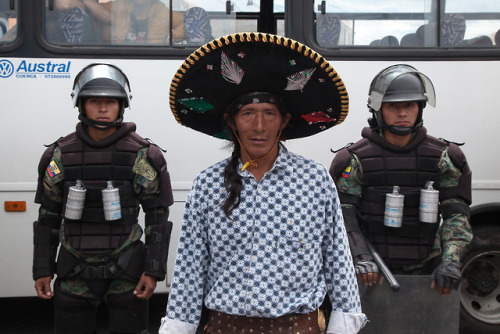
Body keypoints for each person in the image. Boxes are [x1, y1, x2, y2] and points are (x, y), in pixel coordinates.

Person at [159, 32, 367, 334]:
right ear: (232, 122)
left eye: (270, 113)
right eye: (248, 114)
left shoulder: (315, 179)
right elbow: (189, 269)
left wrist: (344, 322)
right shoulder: (207, 184)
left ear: (284, 121)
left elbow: (337, 258)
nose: (259, 126)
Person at [33, 63, 174, 334]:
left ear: (121, 106)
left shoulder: (143, 155)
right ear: (81, 105)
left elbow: (157, 216)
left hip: (127, 269)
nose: (102, 108)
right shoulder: (58, 155)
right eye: (94, 101)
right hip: (73, 267)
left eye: (110, 101)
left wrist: (153, 271)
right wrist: (42, 269)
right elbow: (47, 216)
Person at [329, 64, 472, 297]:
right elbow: (344, 216)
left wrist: (451, 261)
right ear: (378, 109)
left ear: (420, 108)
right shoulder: (354, 160)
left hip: (429, 268)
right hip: (372, 270)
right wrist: (361, 256)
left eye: (410, 105)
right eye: (393, 106)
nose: (402, 113)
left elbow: (456, 215)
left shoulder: (445, 158)